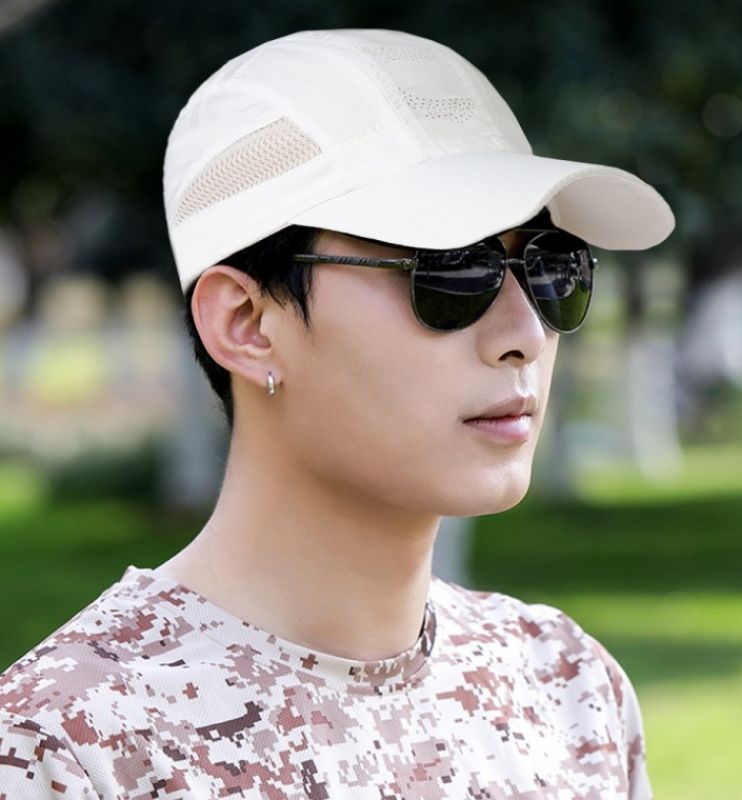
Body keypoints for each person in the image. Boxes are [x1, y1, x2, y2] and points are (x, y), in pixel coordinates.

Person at [0, 28, 674, 799]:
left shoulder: (565, 687)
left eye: (552, 269)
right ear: (248, 324)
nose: (526, 332)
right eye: (452, 269)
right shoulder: (72, 748)